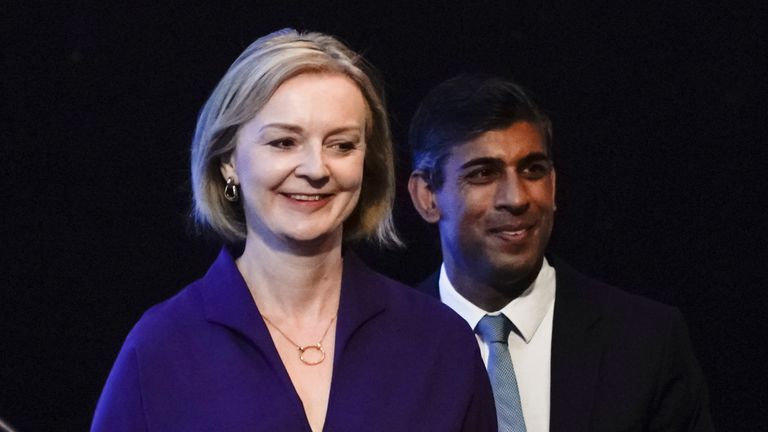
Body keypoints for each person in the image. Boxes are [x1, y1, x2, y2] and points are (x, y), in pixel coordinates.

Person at [91, 30, 496, 432]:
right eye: (284, 142)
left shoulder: (439, 343)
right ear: (228, 160)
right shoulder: (161, 347)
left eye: (341, 145)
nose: (316, 169)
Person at [407, 74, 714, 432]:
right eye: (483, 174)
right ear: (427, 196)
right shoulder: (381, 349)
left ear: (552, 186)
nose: (516, 198)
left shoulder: (647, 342)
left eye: (532, 170)